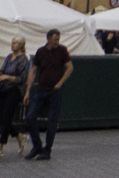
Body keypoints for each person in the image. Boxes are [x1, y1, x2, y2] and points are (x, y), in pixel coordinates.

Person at [26, 28, 74, 161]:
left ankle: (47, 150)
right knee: (30, 117)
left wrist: (59, 84)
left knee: (52, 120)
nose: (57, 42)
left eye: (58, 39)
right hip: (41, 89)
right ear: (48, 39)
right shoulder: (40, 52)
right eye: (54, 40)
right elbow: (33, 70)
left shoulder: (62, 50)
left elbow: (70, 67)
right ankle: (37, 146)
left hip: (54, 90)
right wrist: (28, 90)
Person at [0, 37, 31, 157]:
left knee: (7, 116)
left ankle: (0, 147)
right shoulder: (9, 57)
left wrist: (7, 77)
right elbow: (4, 69)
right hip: (4, 88)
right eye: (12, 42)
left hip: (15, 90)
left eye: (15, 43)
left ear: (21, 45)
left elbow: (22, 78)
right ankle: (19, 136)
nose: (12, 45)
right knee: (2, 118)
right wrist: (0, 74)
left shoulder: (23, 60)